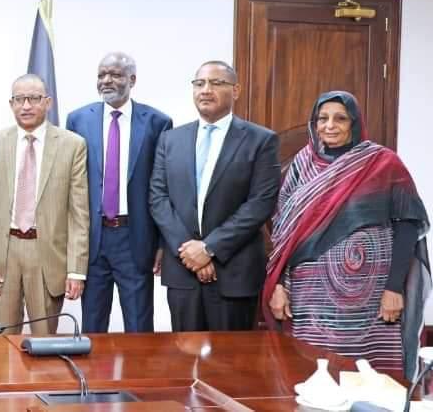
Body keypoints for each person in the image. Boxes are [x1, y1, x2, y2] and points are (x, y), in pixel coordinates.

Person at [264, 91, 429, 376]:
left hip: (371, 301)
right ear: (314, 123)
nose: (330, 125)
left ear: (354, 122)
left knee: (370, 377)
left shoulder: (382, 163)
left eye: (340, 118)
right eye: (322, 118)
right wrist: (279, 285)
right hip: (310, 299)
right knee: (314, 371)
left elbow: (407, 226)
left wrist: (394, 288)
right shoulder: (301, 165)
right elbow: (283, 233)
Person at [149, 60, 280, 331]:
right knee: (185, 353)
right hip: (183, 272)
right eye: (199, 83)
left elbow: (260, 204)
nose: (206, 90)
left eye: (216, 83)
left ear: (236, 90)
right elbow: (158, 198)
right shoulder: (170, 139)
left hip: (233, 272)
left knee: (233, 356)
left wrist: (209, 248)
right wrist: (190, 252)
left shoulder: (261, 140)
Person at [65, 52, 172, 333]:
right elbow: (70, 185)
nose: (106, 80)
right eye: (101, 75)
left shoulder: (157, 122)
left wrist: (162, 243)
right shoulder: (77, 120)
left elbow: (163, 186)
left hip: (134, 239)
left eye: (115, 74)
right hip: (93, 238)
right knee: (92, 327)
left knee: (139, 328)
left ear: (132, 80)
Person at [0, 74, 89, 335]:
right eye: (19, 99)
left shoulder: (72, 145)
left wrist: (76, 270)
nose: (26, 106)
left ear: (48, 102)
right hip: (2, 254)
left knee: (44, 341)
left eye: (34, 99)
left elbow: (79, 214)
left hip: (47, 254)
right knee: (1, 341)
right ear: (11, 104)